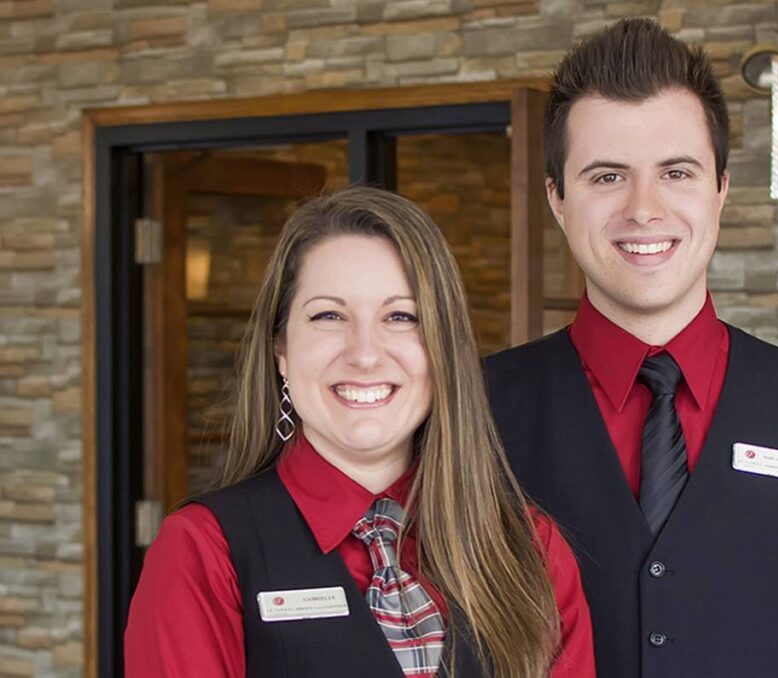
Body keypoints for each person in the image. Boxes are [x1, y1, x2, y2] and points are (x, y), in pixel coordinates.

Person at [483, 18, 778, 678]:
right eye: (607, 177)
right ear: (557, 198)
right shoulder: (473, 416)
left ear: (720, 189)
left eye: (677, 172)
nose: (644, 209)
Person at [125, 187, 595, 678]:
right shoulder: (204, 550)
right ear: (280, 348)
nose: (365, 354)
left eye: (401, 317)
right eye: (329, 316)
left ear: (442, 349)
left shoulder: (529, 546)